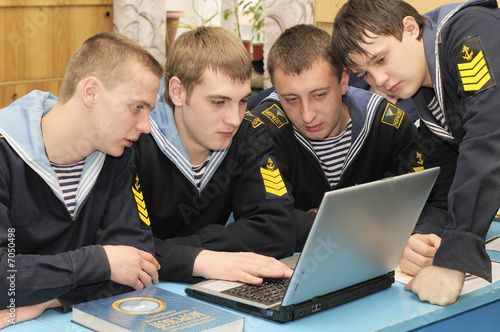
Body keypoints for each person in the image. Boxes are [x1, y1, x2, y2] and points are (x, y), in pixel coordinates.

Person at [331, 0, 500, 305]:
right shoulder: (426, 95)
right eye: (365, 73)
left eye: (381, 59)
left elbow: (489, 137)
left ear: (410, 28)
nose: (378, 81)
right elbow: (445, 180)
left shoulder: (469, 33)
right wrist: (423, 237)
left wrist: (455, 259)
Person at [0, 32, 163, 327]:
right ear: (90, 91)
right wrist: (100, 262)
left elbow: (139, 269)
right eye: (137, 107)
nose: (146, 126)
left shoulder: (118, 155)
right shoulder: (4, 153)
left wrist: (49, 300)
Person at [132, 26, 295, 285]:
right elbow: (126, 252)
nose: (234, 119)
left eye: (242, 101)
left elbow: (278, 229)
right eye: (218, 102)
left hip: (205, 286)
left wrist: (181, 253)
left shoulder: (249, 134)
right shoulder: (134, 141)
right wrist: (201, 260)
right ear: (178, 92)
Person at [248, 24, 423, 251]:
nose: (307, 115)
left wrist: (315, 222)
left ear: (343, 81)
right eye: (291, 99)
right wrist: (362, 222)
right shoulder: (261, 130)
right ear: (275, 89)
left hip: (376, 262)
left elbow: (415, 208)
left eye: (319, 95)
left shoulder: (390, 125)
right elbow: (265, 225)